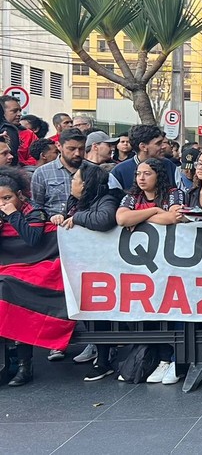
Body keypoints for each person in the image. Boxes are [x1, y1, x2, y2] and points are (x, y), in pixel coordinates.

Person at [115, 157, 187, 385]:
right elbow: (121, 218)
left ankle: (173, 359)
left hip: (172, 267)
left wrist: (143, 217)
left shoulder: (174, 193)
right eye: (138, 174)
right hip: (142, 269)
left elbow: (173, 217)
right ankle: (160, 358)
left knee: (173, 311)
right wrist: (155, 211)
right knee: (150, 313)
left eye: (147, 173)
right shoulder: (131, 196)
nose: (141, 178)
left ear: (159, 175)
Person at [50, 164, 122, 381]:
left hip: (102, 268)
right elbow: (68, 218)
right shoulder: (76, 200)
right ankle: (96, 350)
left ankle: (103, 359)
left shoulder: (107, 199)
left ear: (86, 184)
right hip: (82, 266)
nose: (71, 183)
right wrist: (58, 218)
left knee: (99, 312)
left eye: (75, 180)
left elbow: (104, 219)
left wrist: (79, 218)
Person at [0, 167, 64, 386]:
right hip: (7, 267)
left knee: (8, 289)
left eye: (7, 198)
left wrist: (13, 216)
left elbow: (32, 239)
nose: (3, 203)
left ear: (19, 195)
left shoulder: (35, 212)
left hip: (35, 267)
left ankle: (24, 365)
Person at [32, 127, 87, 217]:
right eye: (71, 149)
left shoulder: (92, 171)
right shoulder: (42, 173)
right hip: (54, 226)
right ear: (59, 146)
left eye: (81, 149)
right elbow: (36, 206)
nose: (77, 153)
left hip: (86, 224)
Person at [109, 125, 181, 192]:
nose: (164, 146)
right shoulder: (120, 172)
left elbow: (182, 195)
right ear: (143, 147)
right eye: (158, 143)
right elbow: (111, 201)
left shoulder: (170, 166)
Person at [0, 94, 34, 166]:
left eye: (20, 111)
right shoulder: (8, 129)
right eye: (14, 111)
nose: (19, 114)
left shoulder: (10, 129)